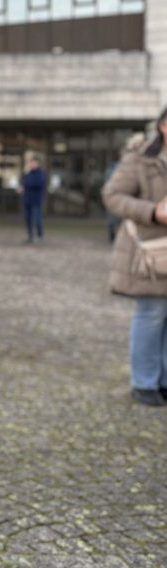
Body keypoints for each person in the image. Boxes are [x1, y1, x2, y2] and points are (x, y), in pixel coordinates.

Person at [102, 106, 167, 407]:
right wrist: (151, 212)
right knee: (151, 314)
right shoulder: (140, 159)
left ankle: (164, 379)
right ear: (164, 127)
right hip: (150, 253)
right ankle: (144, 381)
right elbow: (112, 196)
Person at [18, 155, 48, 244]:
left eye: (34, 163)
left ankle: (39, 235)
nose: (32, 164)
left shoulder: (41, 174)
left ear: (38, 163)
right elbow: (23, 182)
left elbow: (38, 184)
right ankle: (30, 236)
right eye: (31, 163)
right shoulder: (28, 173)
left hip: (36, 200)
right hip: (27, 199)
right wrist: (22, 188)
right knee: (28, 218)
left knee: (37, 218)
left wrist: (26, 186)